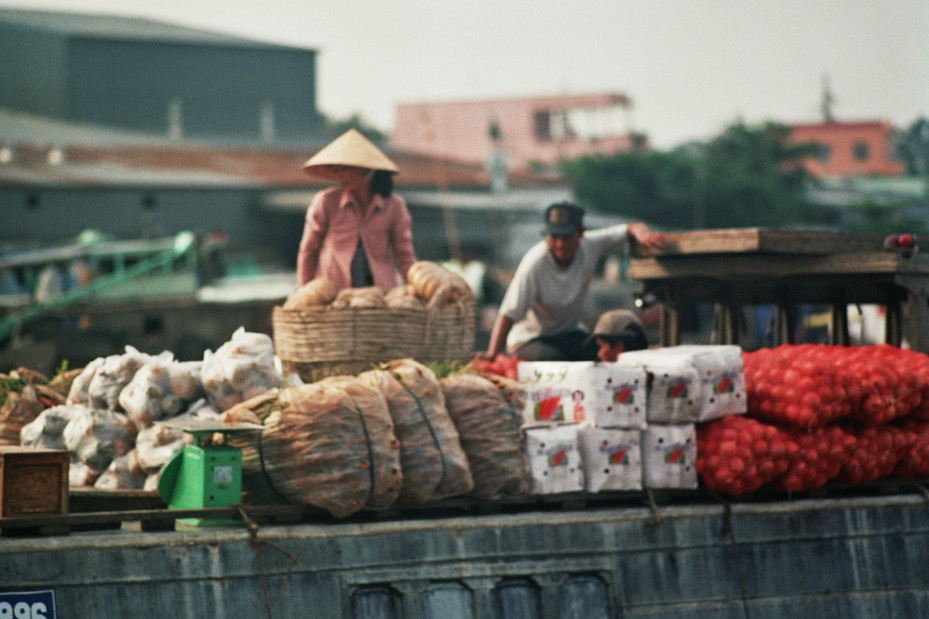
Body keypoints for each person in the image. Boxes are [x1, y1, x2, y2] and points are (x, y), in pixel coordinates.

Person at [484, 201, 664, 361]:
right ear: (547, 236)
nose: (560, 244)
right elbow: (508, 312)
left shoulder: (590, 245)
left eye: (567, 237)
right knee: (553, 358)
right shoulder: (535, 263)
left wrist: (643, 235)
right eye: (554, 237)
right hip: (532, 338)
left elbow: (630, 229)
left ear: (580, 234)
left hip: (569, 333)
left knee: (604, 354)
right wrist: (493, 353)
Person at [296, 128, 416, 290]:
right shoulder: (326, 202)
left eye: (345, 169)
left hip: (379, 296)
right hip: (334, 294)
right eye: (337, 170)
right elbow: (308, 250)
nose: (340, 176)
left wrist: (415, 291)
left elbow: (405, 257)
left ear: (366, 169)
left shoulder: (394, 206)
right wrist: (304, 290)